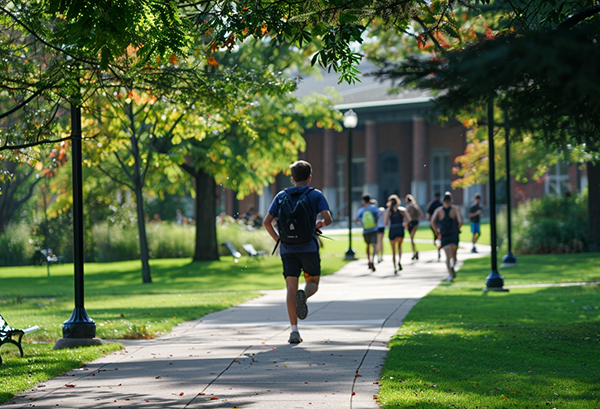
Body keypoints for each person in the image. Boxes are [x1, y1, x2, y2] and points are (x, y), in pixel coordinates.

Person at [263, 160, 332, 344]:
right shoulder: (316, 195)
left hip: (288, 250)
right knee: (313, 282)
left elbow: (266, 222)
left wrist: (279, 240)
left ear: (292, 178)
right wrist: (320, 224)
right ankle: (305, 295)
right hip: (309, 247)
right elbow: (328, 219)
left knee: (290, 288)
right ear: (309, 177)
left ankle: (294, 331)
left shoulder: (281, 196)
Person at [431, 191, 462, 282]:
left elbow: (432, 222)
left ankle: (450, 275)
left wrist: (436, 232)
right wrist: (457, 229)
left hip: (444, 235)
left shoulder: (438, 211)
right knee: (453, 256)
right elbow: (460, 221)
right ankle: (452, 269)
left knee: (448, 257)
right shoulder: (455, 209)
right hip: (453, 234)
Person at [383, 194, 411, 274]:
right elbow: (409, 219)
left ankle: (394, 266)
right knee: (399, 247)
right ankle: (399, 261)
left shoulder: (389, 211)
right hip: (400, 228)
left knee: (393, 250)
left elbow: (385, 222)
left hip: (393, 229)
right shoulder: (402, 210)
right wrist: (404, 223)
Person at [354, 193, 381, 272]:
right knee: (374, 246)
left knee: (367, 245)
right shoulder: (373, 207)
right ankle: (373, 260)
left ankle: (368, 260)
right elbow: (379, 214)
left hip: (366, 230)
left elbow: (356, 219)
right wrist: (376, 222)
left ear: (363, 201)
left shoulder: (361, 209)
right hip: (374, 229)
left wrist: (361, 224)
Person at [405, 194, 424, 260]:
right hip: (415, 222)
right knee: (412, 238)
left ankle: (415, 252)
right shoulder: (416, 206)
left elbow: (409, 216)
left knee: (412, 238)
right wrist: (417, 219)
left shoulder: (409, 207)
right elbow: (421, 214)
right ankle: (414, 251)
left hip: (411, 223)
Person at [425, 192, 443, 261]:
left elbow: (428, 215)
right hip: (440, 223)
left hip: (434, 223)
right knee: (439, 237)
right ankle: (439, 248)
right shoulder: (441, 204)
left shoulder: (432, 204)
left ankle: (438, 248)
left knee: (436, 237)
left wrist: (430, 220)